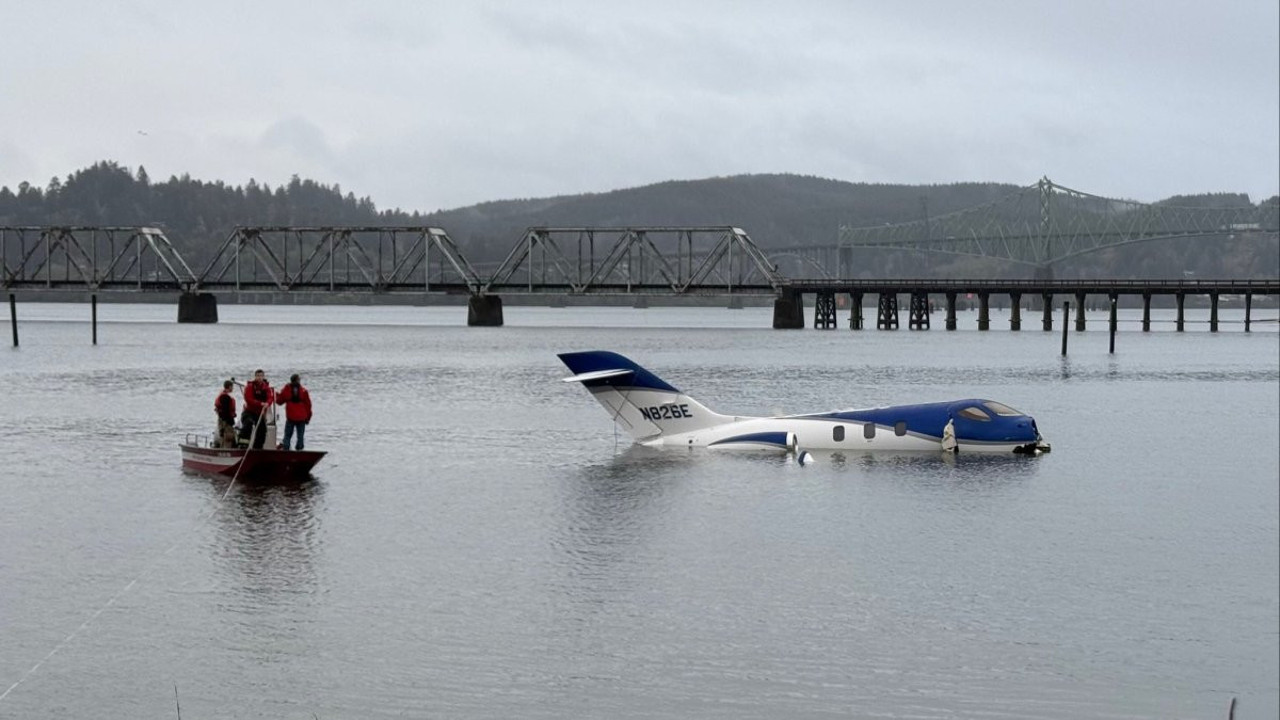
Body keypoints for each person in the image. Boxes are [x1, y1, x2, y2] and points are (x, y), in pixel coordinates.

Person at [275, 373, 312, 451]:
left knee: (288, 435)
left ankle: (286, 448)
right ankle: (299, 449)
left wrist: (275, 394)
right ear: (298, 380)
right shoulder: (304, 391)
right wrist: (308, 418)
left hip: (291, 417)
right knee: (300, 435)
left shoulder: (287, 389)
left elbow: (279, 401)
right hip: (302, 417)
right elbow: (308, 405)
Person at [240, 369, 274, 449]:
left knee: (262, 429)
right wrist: (260, 403)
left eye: (261, 376)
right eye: (258, 376)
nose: (259, 378)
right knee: (248, 423)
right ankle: (243, 445)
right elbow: (248, 399)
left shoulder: (266, 388)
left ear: (263, 377)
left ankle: (258, 447)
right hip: (249, 411)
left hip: (259, 413)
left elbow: (270, 398)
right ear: (255, 377)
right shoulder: (250, 387)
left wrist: (267, 403)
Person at [214, 379, 237, 448]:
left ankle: (223, 447)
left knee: (224, 436)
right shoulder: (225, 397)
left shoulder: (223, 395)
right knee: (228, 436)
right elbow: (225, 411)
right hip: (226, 421)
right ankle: (226, 449)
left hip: (223, 419)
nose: (233, 388)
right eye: (232, 387)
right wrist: (230, 421)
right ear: (229, 387)